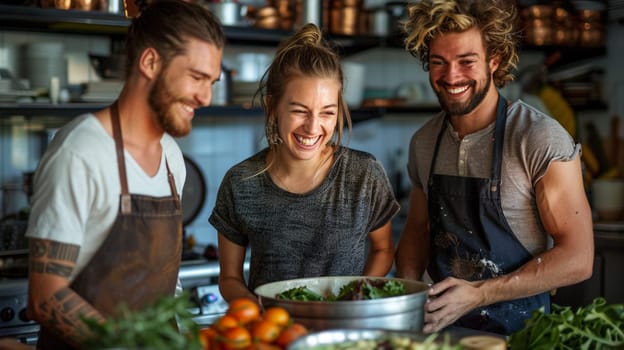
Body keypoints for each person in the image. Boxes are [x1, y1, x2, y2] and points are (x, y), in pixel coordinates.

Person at [24, 1, 225, 348]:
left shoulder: (172, 158)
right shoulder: (80, 152)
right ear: (150, 62)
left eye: (212, 82)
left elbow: (164, 285)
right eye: (196, 77)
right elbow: (46, 298)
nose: (206, 97)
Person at [394, 0, 594, 335]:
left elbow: (578, 256)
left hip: (522, 334)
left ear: (494, 60)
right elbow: (416, 230)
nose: (451, 75)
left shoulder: (537, 137)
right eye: (438, 63)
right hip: (441, 332)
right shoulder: (425, 141)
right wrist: (407, 294)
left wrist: (478, 294)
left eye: (466, 61)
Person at [209, 23, 400, 302]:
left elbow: (383, 250)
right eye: (300, 111)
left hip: (345, 336)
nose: (313, 128)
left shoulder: (364, 174)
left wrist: (356, 299)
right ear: (272, 106)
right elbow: (229, 278)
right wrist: (262, 315)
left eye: (327, 112)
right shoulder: (240, 183)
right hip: (274, 339)